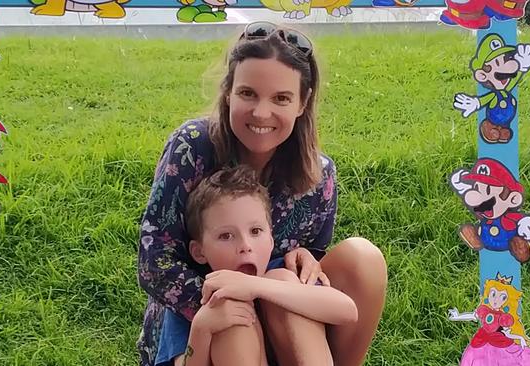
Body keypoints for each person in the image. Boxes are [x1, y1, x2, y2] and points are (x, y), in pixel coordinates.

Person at [137, 21, 388, 366]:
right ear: (228, 92)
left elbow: (312, 257)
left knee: (363, 258)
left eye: (281, 98)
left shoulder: (319, 174)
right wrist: (231, 302)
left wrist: (299, 262)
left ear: (303, 102)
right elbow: (156, 259)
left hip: (283, 306)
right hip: (211, 316)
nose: (261, 113)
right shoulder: (192, 146)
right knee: (239, 317)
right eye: (248, 93)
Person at [175, 164, 357, 365]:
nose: (245, 246)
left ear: (271, 240)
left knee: (284, 282)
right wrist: (200, 329)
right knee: (226, 308)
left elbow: (348, 311)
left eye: (255, 231)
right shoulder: (194, 293)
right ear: (199, 252)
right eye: (226, 236)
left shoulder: (284, 271)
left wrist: (256, 287)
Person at [448, 274, 530, 366]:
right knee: (475, 358)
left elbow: (508, 333)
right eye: (493, 294)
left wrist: (519, 338)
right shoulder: (484, 310)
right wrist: (457, 316)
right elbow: (473, 316)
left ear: (506, 301)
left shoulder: (503, 317)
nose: (496, 300)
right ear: (488, 294)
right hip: (480, 341)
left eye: (502, 297)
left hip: (500, 344)